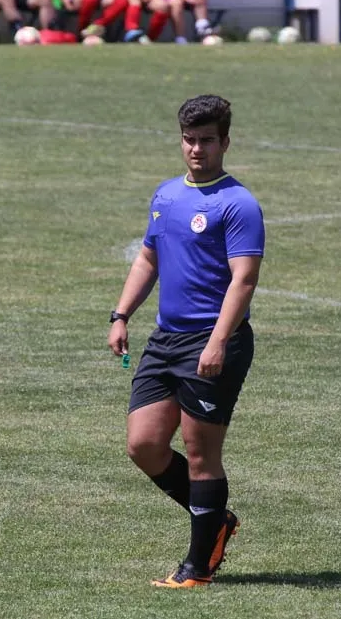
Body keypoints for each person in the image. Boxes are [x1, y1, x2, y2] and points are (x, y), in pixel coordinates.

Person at [108, 95, 265, 588]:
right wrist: (121, 314)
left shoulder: (238, 204)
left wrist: (217, 342)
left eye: (207, 141)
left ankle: (198, 567)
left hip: (213, 341)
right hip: (166, 340)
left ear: (225, 143)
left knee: (201, 454)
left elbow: (244, 280)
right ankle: (215, 520)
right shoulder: (167, 195)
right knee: (144, 445)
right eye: (190, 140)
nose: (197, 149)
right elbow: (148, 259)